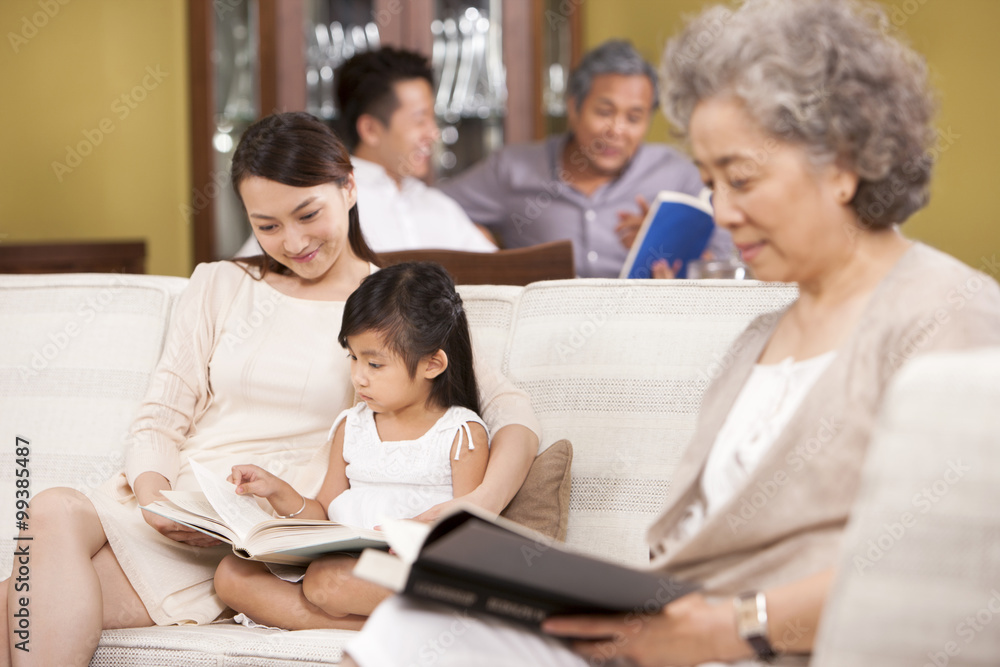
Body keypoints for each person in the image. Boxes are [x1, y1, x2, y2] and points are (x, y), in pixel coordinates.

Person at [341, 1, 1000, 665]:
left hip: (777, 648)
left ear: (843, 161)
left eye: (740, 178)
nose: (721, 210)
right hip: (683, 637)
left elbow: (933, 574)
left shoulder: (950, 316)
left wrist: (736, 625)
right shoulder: (760, 334)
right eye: (709, 181)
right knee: (409, 625)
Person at [1, 112, 539, 667]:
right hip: (170, 506)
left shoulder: (389, 308)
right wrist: (155, 498)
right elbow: (160, 416)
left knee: (12, 609)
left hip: (255, 534)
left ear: (349, 187)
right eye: (268, 225)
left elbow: (509, 410)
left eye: (308, 214)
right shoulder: (220, 283)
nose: (295, 242)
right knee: (52, 509)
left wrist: (476, 504)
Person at [213, 261, 490, 629]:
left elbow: (471, 539)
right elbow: (322, 515)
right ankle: (380, 625)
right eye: (353, 358)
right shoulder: (352, 425)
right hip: (340, 567)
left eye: (375, 364)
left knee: (329, 581)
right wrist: (277, 490)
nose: (358, 376)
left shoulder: (460, 433)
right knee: (231, 575)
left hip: (411, 575)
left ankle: (419, 619)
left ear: (432, 364)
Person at [438, 39, 733, 278]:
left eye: (634, 117)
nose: (617, 130)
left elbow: (727, 260)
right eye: (604, 112)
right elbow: (430, 209)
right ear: (574, 108)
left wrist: (663, 245)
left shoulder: (676, 173)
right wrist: (483, 247)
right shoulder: (512, 169)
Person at [236, 48, 494, 258]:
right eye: (419, 120)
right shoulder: (324, 201)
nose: (433, 133)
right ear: (370, 129)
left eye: (432, 118)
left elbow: (502, 275)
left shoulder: (437, 206)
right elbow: (246, 279)